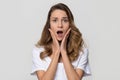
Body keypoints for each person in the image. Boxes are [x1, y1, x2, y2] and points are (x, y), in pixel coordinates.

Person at [31, 3, 91, 80]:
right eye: (55, 20)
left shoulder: (82, 52)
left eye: (65, 20)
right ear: (49, 25)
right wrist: (56, 52)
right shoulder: (38, 51)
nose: (60, 25)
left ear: (70, 24)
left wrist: (63, 51)